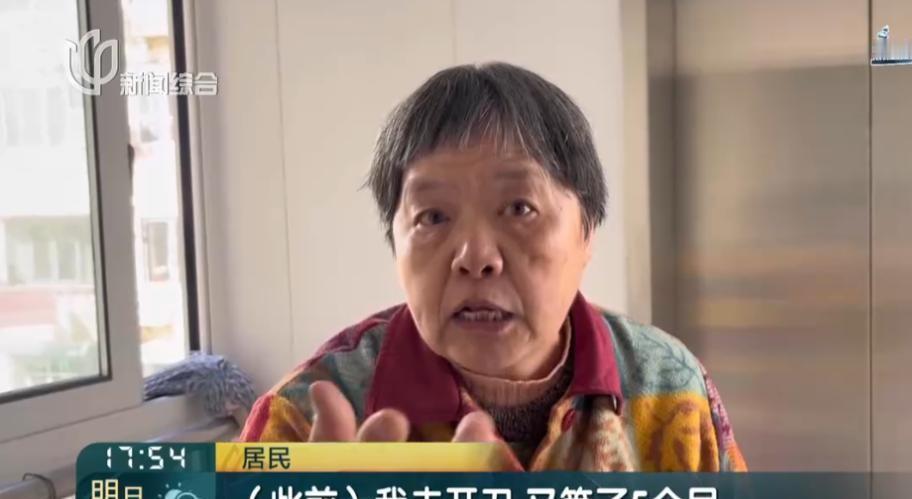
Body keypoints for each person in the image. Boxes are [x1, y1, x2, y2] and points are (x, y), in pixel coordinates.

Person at [238, 62, 747, 472]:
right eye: (433, 217)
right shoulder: (303, 421)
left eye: (519, 208)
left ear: (587, 231)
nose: (476, 257)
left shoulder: (670, 386)